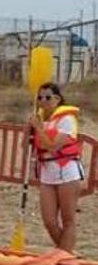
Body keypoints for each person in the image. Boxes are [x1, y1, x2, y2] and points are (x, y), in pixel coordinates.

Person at [30, 82, 83, 253]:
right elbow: (29, 147)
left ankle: (63, 256)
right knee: (49, 221)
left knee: (68, 220)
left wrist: (39, 128)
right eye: (40, 98)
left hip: (67, 171)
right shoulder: (41, 119)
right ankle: (66, 254)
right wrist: (30, 130)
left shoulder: (67, 119)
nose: (43, 101)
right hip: (47, 173)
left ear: (57, 99)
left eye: (47, 97)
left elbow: (53, 146)